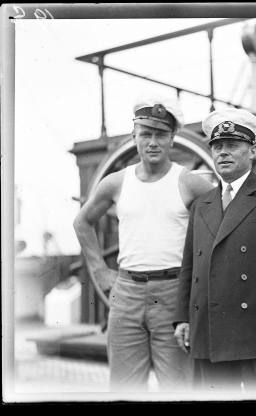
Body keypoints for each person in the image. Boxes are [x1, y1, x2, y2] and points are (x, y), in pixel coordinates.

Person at [73, 99, 214, 391]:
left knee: (179, 389)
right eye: (145, 134)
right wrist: (99, 270)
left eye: (161, 135)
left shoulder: (189, 182)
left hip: (173, 294)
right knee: (125, 389)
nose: (152, 142)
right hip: (126, 294)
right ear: (134, 136)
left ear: (173, 138)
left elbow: (227, 223)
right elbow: (82, 222)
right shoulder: (116, 183)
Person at [173, 108, 256, 392]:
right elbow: (190, 267)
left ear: (253, 150)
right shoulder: (202, 204)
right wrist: (183, 318)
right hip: (209, 329)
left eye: (232, 145)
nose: (223, 152)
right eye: (218, 146)